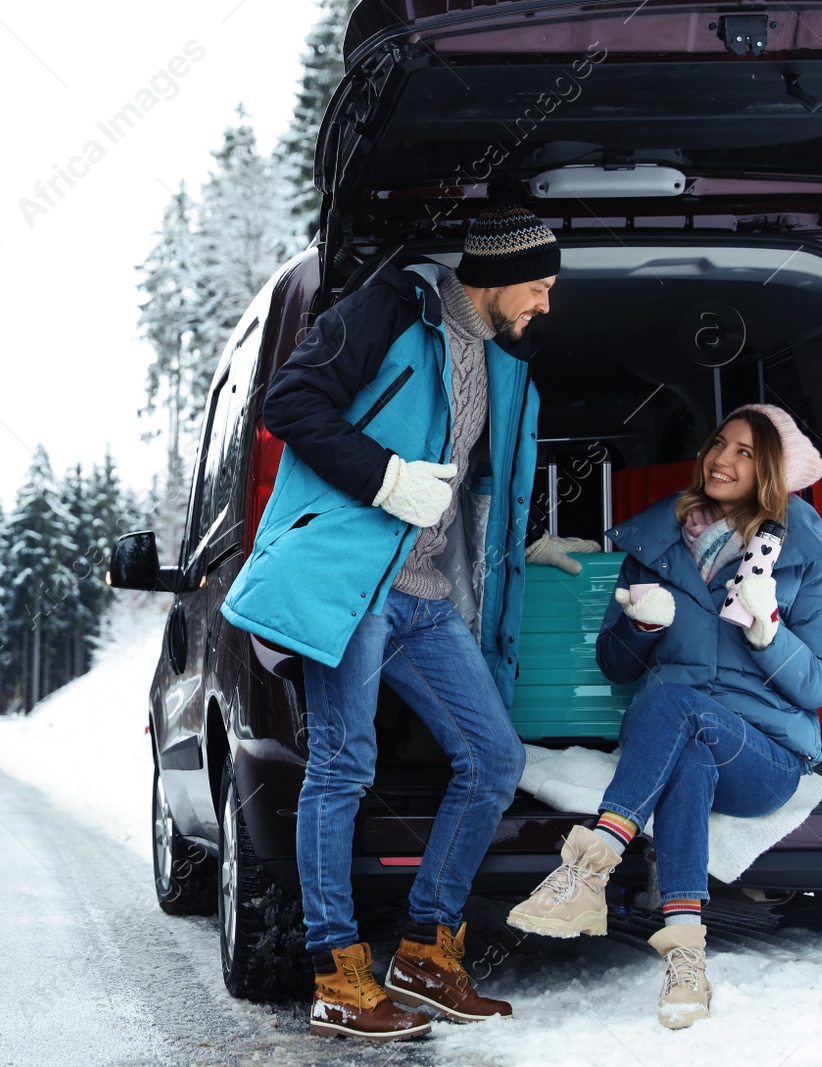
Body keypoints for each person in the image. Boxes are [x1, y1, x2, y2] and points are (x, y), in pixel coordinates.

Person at [221, 204, 561, 1041]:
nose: (546, 305)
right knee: (343, 763)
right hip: (355, 584)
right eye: (541, 286)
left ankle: (424, 949)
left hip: (423, 593)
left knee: (493, 755)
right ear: (494, 276)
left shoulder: (500, 363)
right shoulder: (388, 308)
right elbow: (290, 402)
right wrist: (384, 478)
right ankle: (339, 973)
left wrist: (531, 548)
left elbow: (491, 488)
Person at [507, 404, 822, 1030]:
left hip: (763, 756)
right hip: (676, 741)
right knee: (684, 749)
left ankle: (589, 869)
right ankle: (687, 959)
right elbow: (616, 666)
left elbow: (821, 685)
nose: (723, 458)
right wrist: (639, 625)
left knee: (674, 703)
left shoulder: (802, 567)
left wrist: (770, 629)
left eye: (745, 451)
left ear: (770, 470)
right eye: (719, 443)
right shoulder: (654, 548)